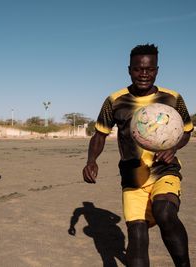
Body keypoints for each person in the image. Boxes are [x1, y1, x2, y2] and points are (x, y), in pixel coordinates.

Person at [82, 44, 193, 267]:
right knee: (137, 235)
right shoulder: (115, 100)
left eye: (149, 69)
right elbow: (100, 134)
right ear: (129, 70)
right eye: (138, 69)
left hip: (164, 170)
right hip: (132, 176)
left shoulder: (173, 99)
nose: (144, 74)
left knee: (164, 212)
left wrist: (173, 148)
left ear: (157, 70)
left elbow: (186, 131)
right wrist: (91, 161)